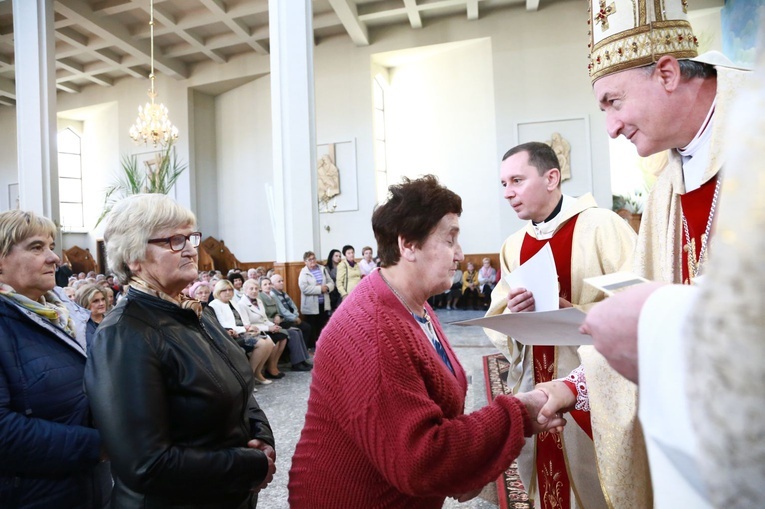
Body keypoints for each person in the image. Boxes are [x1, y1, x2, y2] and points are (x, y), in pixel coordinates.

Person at [533, 1, 754, 506]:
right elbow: (641, 323)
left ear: (668, 72)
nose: (609, 127)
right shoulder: (669, 184)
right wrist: (569, 389)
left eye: (613, 102)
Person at [288, 175, 565, 508]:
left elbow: (427, 410)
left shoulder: (410, 303)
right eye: (450, 240)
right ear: (408, 245)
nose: (460, 254)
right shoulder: (375, 331)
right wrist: (520, 411)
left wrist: (463, 468)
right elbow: (420, 460)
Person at [84, 194, 275, 508]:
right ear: (134, 257)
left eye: (191, 237)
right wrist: (250, 464)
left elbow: (240, 391)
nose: (190, 249)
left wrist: (263, 438)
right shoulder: (123, 335)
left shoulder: (198, 314)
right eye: (174, 240)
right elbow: (145, 464)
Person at [484, 142, 635, 509]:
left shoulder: (603, 226)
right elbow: (498, 315)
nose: (508, 193)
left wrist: (576, 310)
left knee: (598, 480)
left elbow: (639, 298)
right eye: (503, 184)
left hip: (592, 378)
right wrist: (514, 312)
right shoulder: (514, 244)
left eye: (517, 180)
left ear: (552, 177)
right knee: (548, 482)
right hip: (538, 378)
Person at [0, 210, 110, 508]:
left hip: (89, 487)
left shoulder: (70, 315)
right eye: (37, 248)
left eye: (51, 246)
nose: (54, 258)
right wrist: (99, 446)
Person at [237, 279, 288, 380]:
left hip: (264, 327)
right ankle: (257, 372)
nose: (254, 291)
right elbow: (247, 325)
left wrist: (273, 326)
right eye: (251, 289)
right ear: (245, 290)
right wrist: (269, 328)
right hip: (253, 331)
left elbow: (264, 319)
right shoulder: (241, 304)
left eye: (256, 288)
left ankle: (270, 367)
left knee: (282, 335)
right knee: (275, 339)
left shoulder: (259, 301)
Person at [297, 251, 334, 345]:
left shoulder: (322, 268)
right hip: (311, 305)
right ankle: (312, 347)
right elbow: (304, 288)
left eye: (313, 258)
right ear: (305, 262)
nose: (312, 261)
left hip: (323, 303)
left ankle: (322, 345)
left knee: (322, 326)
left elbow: (331, 282)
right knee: (312, 327)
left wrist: (327, 287)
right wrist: (319, 289)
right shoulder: (304, 272)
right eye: (309, 259)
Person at [269, 273, 313, 349]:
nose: (282, 283)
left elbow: (293, 305)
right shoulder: (273, 294)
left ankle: (304, 350)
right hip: (284, 320)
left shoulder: (283, 293)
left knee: (307, 327)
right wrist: (294, 318)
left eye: (282, 281)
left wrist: (296, 315)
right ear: (272, 285)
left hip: (292, 317)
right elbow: (282, 311)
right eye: (279, 281)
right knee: (297, 330)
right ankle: (299, 353)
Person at [324, 248, 342, 312]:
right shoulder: (327, 268)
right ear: (331, 257)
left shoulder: (342, 266)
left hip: (340, 290)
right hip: (331, 292)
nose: (338, 257)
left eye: (339, 256)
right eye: (336, 256)